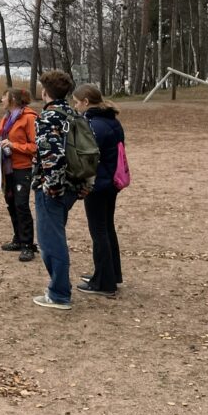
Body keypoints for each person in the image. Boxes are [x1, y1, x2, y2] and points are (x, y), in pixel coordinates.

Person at [32, 69, 86, 311]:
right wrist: (85, 184)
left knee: (51, 241)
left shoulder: (48, 118)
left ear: (45, 92)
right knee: (56, 237)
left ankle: (59, 293)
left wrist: (51, 188)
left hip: (55, 188)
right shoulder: (75, 114)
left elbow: (51, 156)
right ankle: (58, 290)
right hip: (74, 185)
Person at [72, 83, 124, 298]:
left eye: (76, 102)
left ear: (85, 102)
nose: (75, 107)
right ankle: (111, 274)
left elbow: (86, 155)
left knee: (99, 231)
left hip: (98, 183)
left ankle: (104, 282)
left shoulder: (94, 125)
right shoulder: (111, 120)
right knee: (107, 228)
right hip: (110, 182)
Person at [0, 87, 39, 263]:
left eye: (4, 96)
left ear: (13, 99)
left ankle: (28, 245)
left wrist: (14, 146)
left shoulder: (29, 118)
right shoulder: (7, 118)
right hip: (8, 168)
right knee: (11, 203)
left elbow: (36, 146)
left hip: (23, 167)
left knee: (21, 204)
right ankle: (18, 239)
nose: (1, 99)